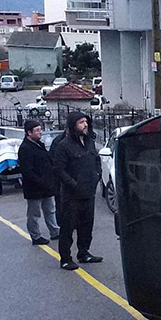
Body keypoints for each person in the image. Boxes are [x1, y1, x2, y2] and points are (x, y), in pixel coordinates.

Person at [54, 111, 103, 271]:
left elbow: (96, 159)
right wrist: (74, 184)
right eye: (81, 122)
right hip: (71, 196)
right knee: (68, 228)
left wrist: (97, 175)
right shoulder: (64, 146)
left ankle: (84, 253)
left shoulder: (89, 142)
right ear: (73, 125)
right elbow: (59, 170)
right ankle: (66, 259)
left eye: (86, 121)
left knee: (87, 226)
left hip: (88, 193)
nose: (85, 125)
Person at [17, 120, 60, 245]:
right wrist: (40, 181)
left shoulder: (38, 144)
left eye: (40, 129)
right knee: (34, 214)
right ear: (29, 133)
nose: (40, 132)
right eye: (37, 130)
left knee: (50, 210)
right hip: (34, 188)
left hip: (47, 186)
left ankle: (55, 231)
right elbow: (27, 171)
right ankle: (35, 236)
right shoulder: (25, 148)